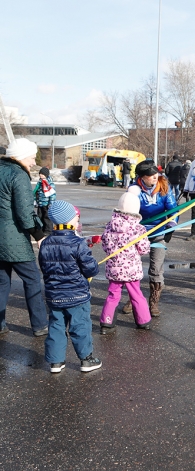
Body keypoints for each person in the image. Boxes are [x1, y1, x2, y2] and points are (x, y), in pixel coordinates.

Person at [38, 200, 101, 373]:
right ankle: (86, 359)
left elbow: (44, 267)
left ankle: (56, 362)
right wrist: (93, 265)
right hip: (77, 295)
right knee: (80, 326)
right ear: (69, 221)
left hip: (54, 295)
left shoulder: (45, 243)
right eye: (76, 219)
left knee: (56, 327)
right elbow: (90, 269)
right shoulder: (78, 243)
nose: (77, 222)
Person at [0, 138, 49, 336]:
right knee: (32, 279)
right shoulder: (18, 175)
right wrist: (38, 234)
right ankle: (39, 324)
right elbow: (24, 212)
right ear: (20, 156)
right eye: (31, 157)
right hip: (14, 240)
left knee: (2, 282)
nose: (32, 162)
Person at [125, 160, 177, 316]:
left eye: (156, 173)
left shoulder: (164, 187)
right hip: (138, 234)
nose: (155, 176)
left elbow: (173, 209)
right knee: (133, 269)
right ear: (142, 177)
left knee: (156, 270)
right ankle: (133, 299)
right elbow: (127, 212)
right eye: (151, 174)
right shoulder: (134, 191)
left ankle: (153, 302)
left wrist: (172, 223)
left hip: (159, 233)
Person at [99, 192, 152, 334]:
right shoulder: (138, 228)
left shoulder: (110, 225)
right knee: (136, 294)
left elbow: (105, 245)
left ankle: (107, 322)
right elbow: (144, 249)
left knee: (113, 295)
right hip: (131, 270)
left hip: (114, 269)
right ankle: (143, 321)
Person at [34, 166, 56, 232]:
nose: (40, 175)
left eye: (42, 174)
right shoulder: (39, 183)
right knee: (40, 217)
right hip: (40, 203)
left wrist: (51, 203)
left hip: (46, 203)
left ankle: (48, 230)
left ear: (46, 175)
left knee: (47, 217)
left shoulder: (49, 183)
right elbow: (36, 192)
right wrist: (35, 201)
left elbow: (52, 194)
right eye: (40, 174)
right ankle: (41, 229)